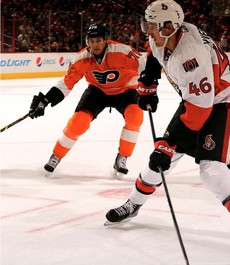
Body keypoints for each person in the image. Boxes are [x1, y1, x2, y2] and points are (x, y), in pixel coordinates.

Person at [105, 0, 230, 258]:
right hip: (197, 101)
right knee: (158, 160)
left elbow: (200, 109)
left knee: (211, 170)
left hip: (223, 102)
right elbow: (154, 52)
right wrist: (148, 82)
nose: (148, 31)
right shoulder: (165, 36)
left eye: (152, 26)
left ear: (169, 26)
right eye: (147, 24)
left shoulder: (191, 55)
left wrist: (167, 146)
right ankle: (133, 204)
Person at [29, 23, 145, 178]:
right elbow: (67, 83)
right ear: (87, 42)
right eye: (91, 41)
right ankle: (56, 156)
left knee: (135, 116)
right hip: (97, 91)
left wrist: (149, 87)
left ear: (105, 40)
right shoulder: (81, 58)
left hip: (125, 90)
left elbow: (144, 66)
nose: (95, 45)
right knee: (79, 122)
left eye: (98, 40)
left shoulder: (122, 52)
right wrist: (45, 99)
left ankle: (122, 158)